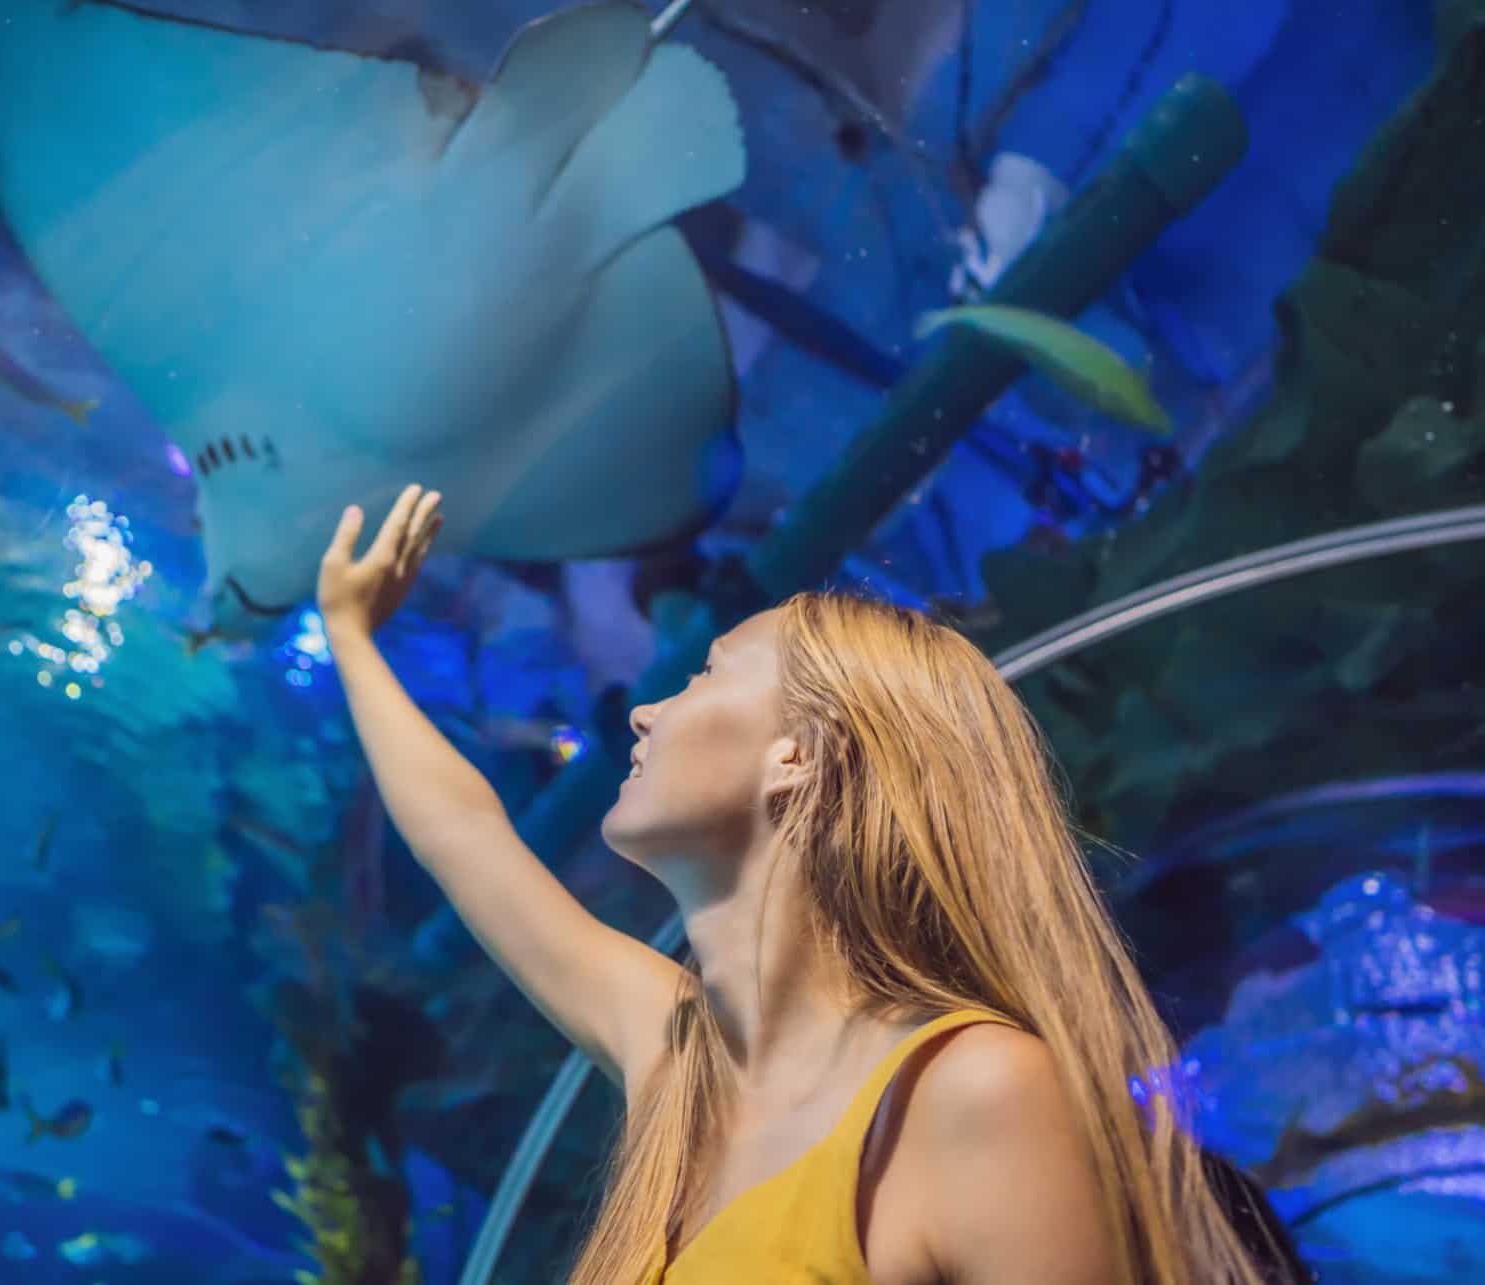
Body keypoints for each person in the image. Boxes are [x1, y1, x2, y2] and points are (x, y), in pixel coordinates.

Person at [317, 484, 1289, 1285]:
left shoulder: (972, 1090)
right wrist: (353, 639)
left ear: (800, 753)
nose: (647, 711)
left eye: (703, 675)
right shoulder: (683, 1066)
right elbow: (468, 838)